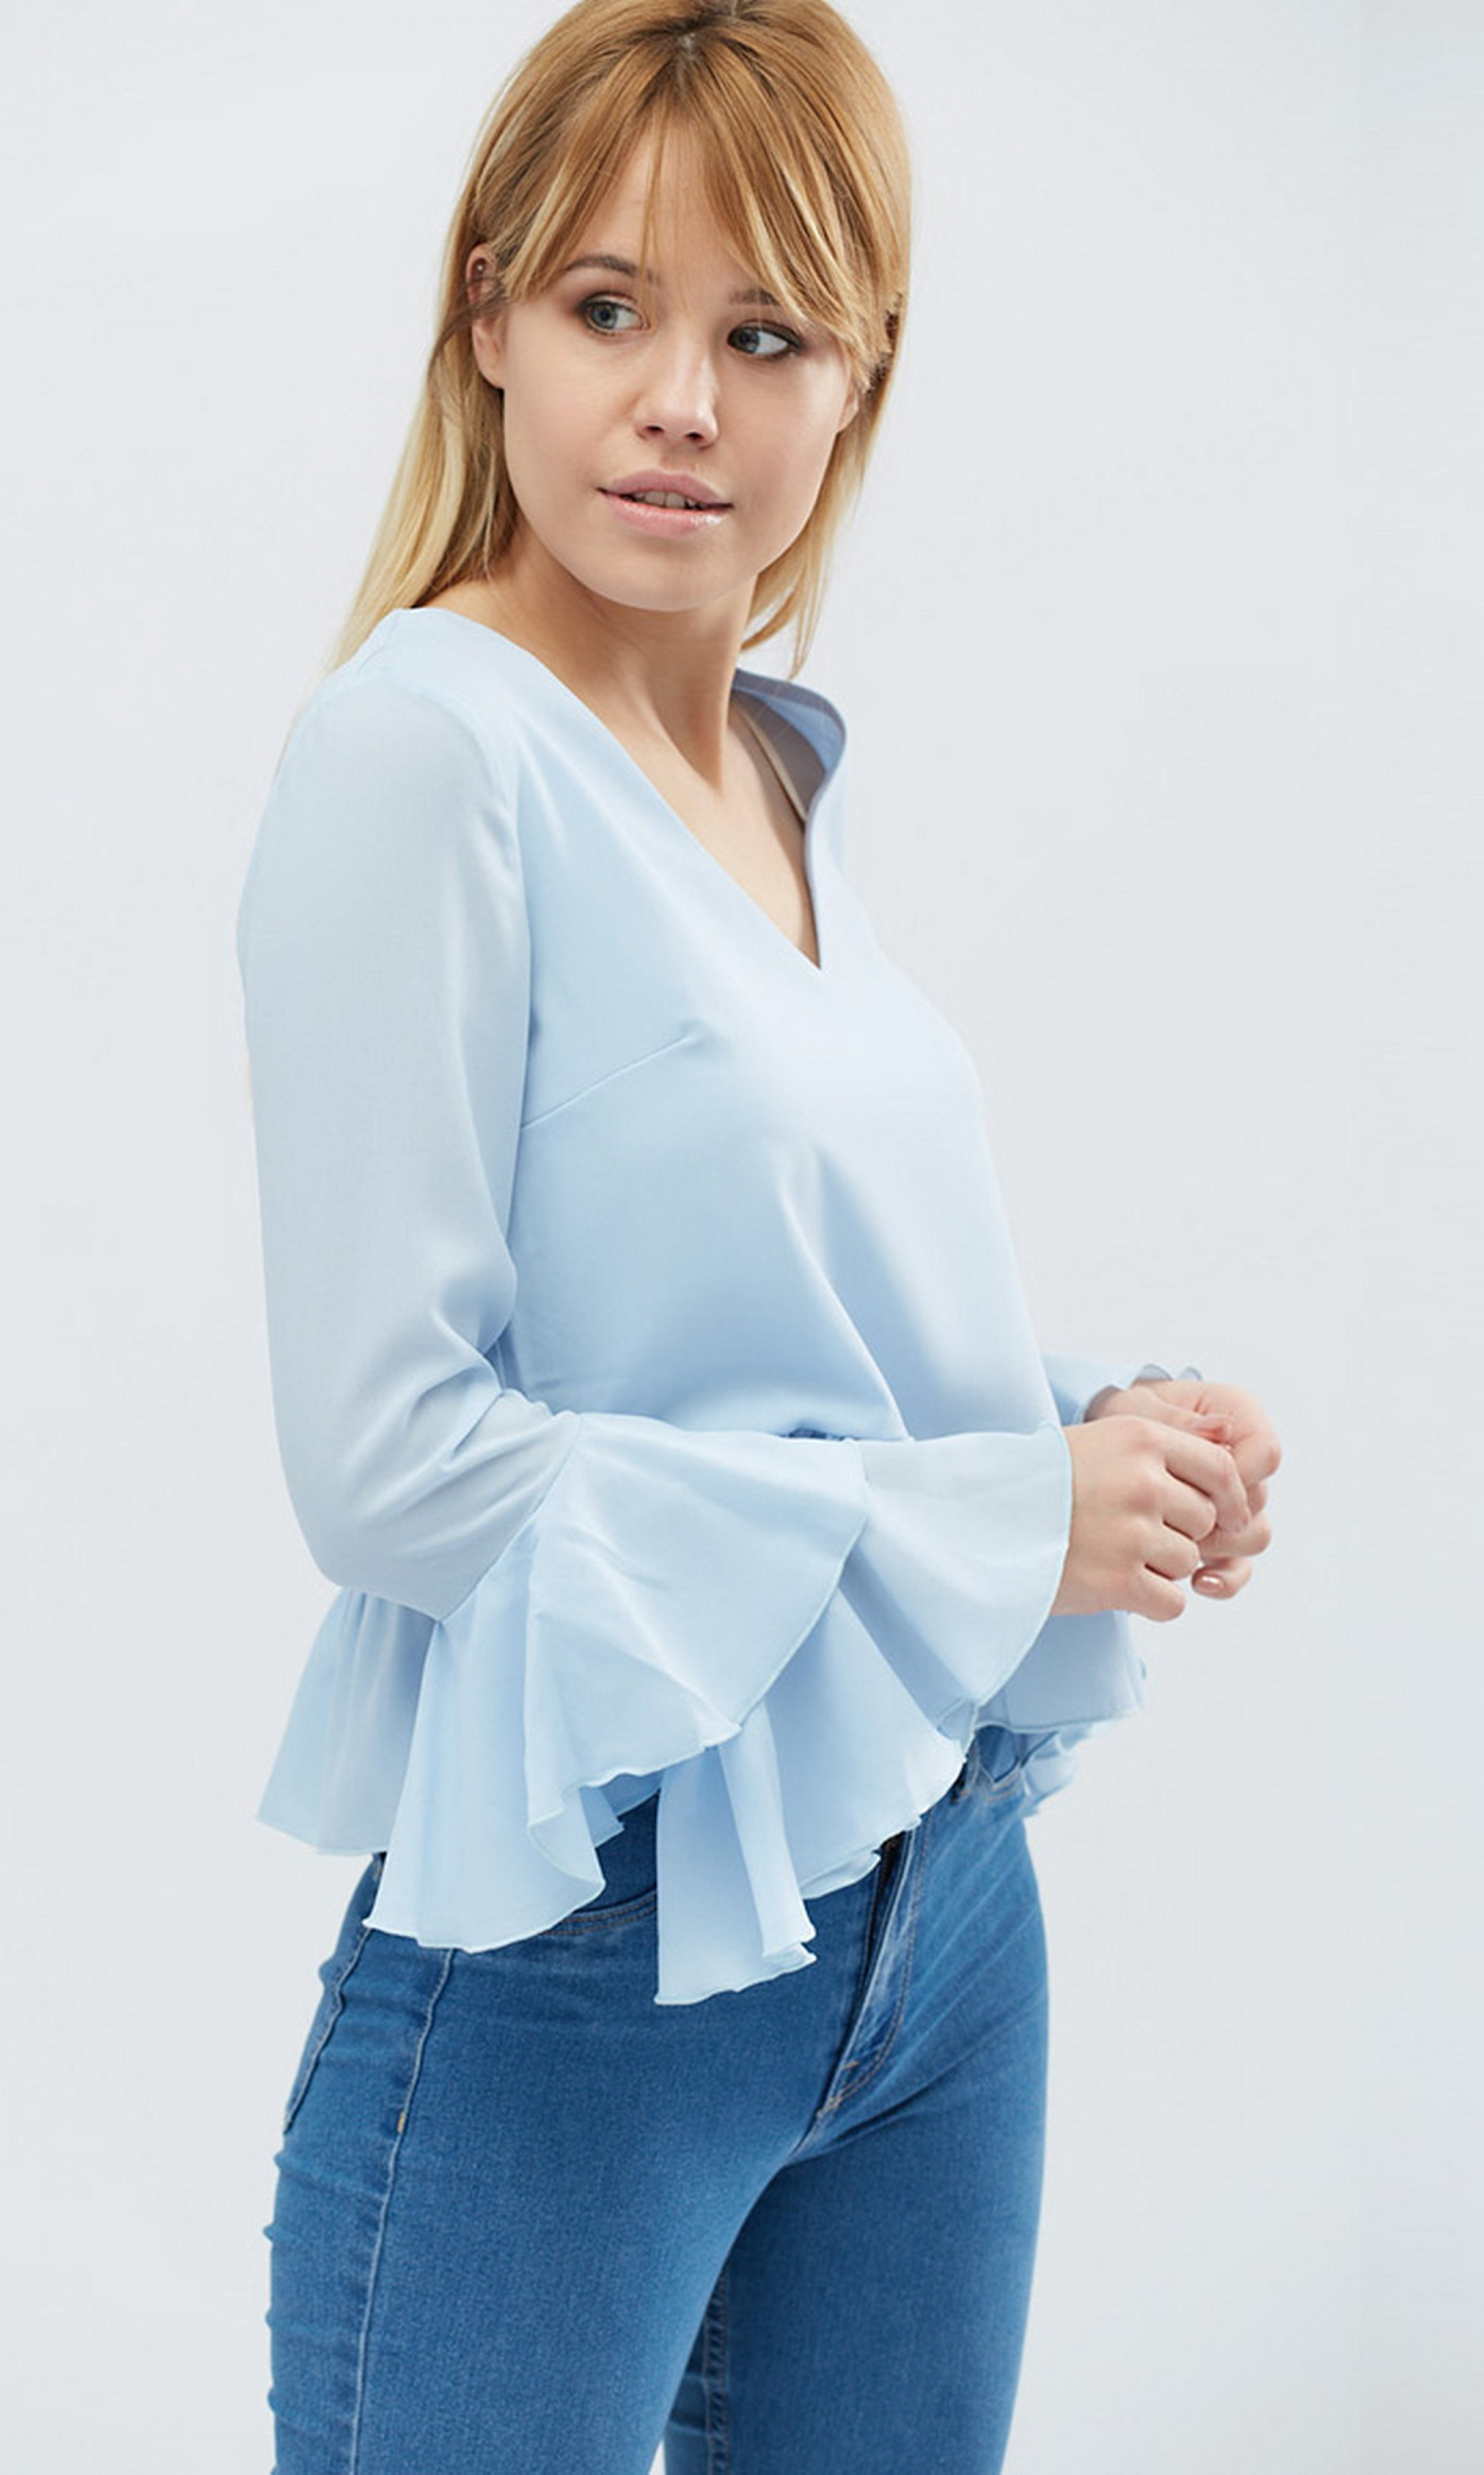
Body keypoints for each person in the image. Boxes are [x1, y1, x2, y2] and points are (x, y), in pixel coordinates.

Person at [233, 3, 1280, 2468]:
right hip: (586, 1932)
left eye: (766, 335)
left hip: (942, 1910)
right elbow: (391, 1470)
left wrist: (1088, 1440)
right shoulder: (423, 753)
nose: (680, 402)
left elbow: (767, 1339)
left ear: (859, 378)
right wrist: (991, 1520)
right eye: (608, 307)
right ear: (489, 316)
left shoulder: (769, 765)